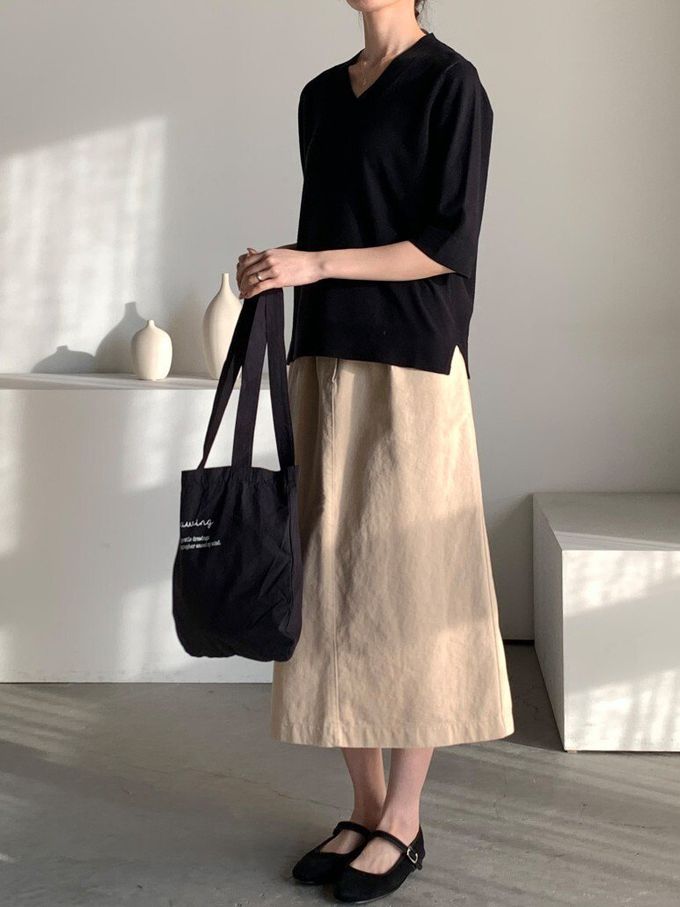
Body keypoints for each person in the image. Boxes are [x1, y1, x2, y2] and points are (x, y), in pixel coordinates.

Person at [235, 1, 514, 901]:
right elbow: (335, 231)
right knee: (327, 582)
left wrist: (315, 264)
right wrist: (281, 264)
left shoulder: (452, 85)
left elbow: (445, 244)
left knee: (411, 584)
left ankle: (404, 815)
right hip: (322, 355)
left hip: (414, 364)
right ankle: (361, 805)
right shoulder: (321, 95)